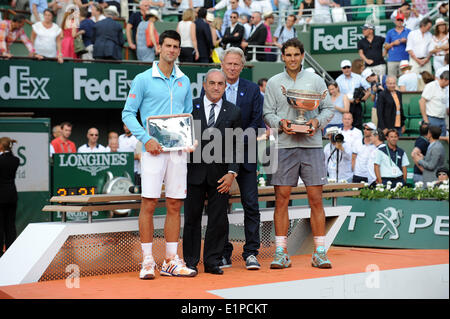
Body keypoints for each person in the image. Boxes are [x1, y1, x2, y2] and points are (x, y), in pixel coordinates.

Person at [122, 30, 197, 279]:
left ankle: (170, 261)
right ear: (159, 48)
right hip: (152, 151)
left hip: (177, 153)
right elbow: (128, 113)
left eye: (176, 47)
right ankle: (146, 261)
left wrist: (187, 140)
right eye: (168, 46)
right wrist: (146, 139)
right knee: (150, 203)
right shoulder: (143, 79)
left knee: (175, 204)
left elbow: (187, 116)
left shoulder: (184, 80)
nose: (172, 50)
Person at [263, 38, 334, 269]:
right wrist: (281, 123)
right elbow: (267, 113)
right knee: (281, 199)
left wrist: (316, 121)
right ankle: (281, 252)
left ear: (302, 56)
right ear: (282, 56)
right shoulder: (274, 83)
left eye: (296, 54)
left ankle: (320, 252)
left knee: (316, 199)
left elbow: (329, 109)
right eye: (288, 54)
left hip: (311, 144)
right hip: (284, 145)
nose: (292, 59)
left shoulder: (315, 80)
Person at [183, 69, 241, 275]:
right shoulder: (189, 107)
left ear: (225, 87)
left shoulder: (233, 111)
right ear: (204, 85)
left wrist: (232, 172)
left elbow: (238, 145)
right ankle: (190, 261)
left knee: (218, 220)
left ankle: (212, 261)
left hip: (221, 175)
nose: (216, 87)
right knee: (191, 219)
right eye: (212, 83)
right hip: (193, 173)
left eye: (220, 84)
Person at [219, 47, 265, 270]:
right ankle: (223, 252)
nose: (232, 67)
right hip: (217, 157)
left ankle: (251, 253)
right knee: (220, 207)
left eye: (236, 64)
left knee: (251, 205)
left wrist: (237, 142)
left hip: (246, 154)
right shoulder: (213, 85)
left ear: (242, 66)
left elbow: (257, 123)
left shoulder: (253, 89)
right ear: (222, 64)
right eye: (229, 63)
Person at [0, 137, 20, 258]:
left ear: (2, 146)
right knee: (10, 224)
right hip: (12, 196)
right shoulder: (16, 160)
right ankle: (11, 250)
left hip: (1, 197)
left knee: (0, 225)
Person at [420, 71, 449, 136]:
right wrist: (426, 120)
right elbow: (422, 101)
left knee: (441, 143)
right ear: (444, 79)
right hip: (431, 118)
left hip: (442, 119)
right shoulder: (431, 86)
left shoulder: (445, 89)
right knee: (431, 141)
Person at [384, 13, 411, 78]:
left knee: (405, 78)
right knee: (391, 79)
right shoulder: (390, 32)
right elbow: (386, 46)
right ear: (395, 21)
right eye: (398, 20)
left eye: (401, 20)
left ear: (403, 21)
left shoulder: (408, 31)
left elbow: (414, 45)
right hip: (392, 59)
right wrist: (393, 43)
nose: (399, 22)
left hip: (404, 59)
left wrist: (406, 41)